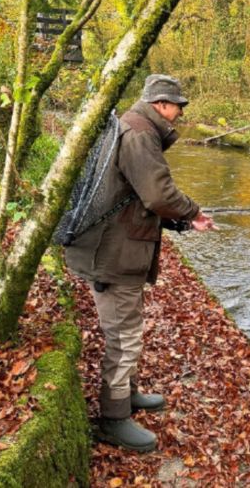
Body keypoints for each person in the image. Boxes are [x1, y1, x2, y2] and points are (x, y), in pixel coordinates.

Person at [65, 74, 217, 452]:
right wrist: (193, 211)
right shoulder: (140, 134)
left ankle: (127, 394)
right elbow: (158, 193)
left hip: (114, 248)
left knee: (127, 328)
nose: (181, 112)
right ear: (161, 104)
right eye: (179, 105)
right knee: (124, 336)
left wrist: (182, 221)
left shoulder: (132, 127)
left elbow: (136, 199)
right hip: (111, 256)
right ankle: (113, 420)